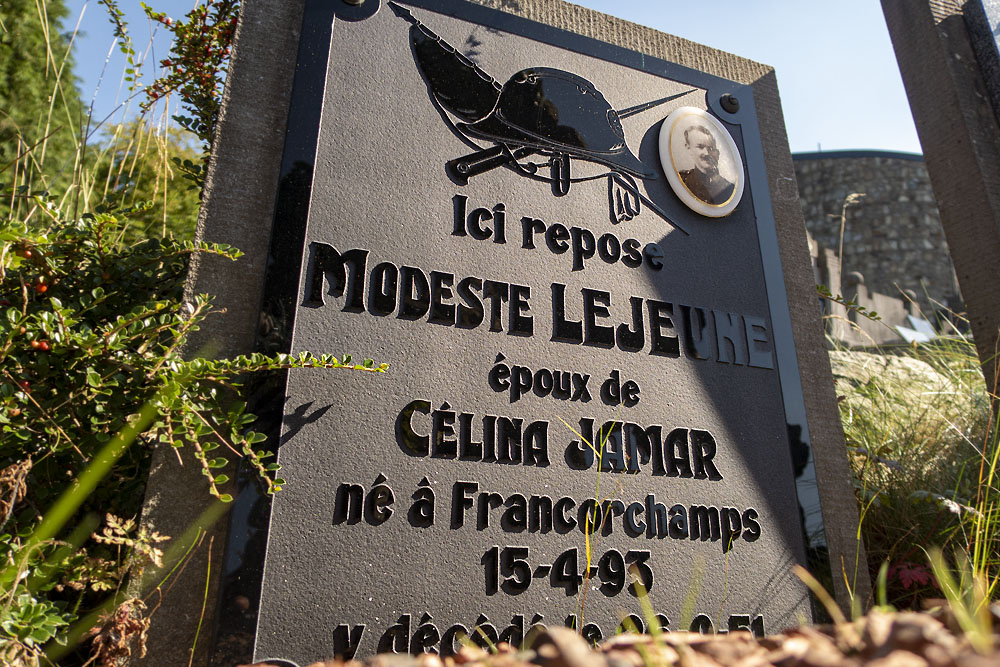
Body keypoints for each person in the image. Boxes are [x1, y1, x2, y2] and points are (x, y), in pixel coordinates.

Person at [678, 124, 735, 205]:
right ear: (688, 148)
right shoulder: (681, 179)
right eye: (700, 147)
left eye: (710, 148)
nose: (707, 153)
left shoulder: (729, 189)